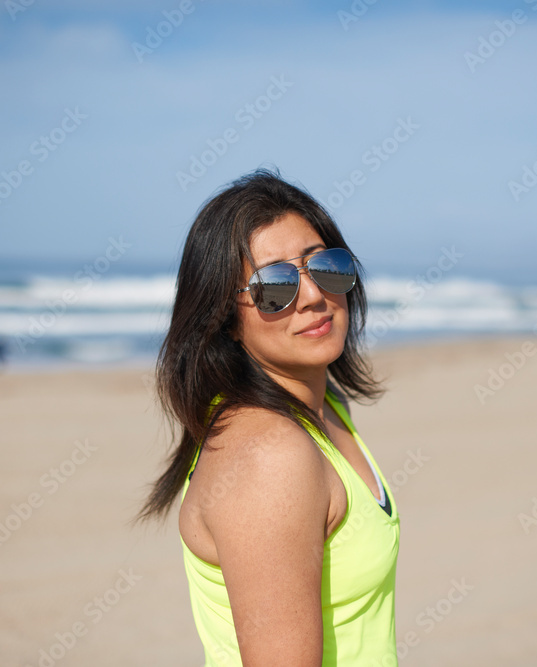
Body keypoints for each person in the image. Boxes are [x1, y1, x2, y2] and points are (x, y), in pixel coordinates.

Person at [139, 169, 399, 665]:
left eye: (325, 266)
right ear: (225, 321)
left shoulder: (327, 408)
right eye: (274, 285)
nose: (313, 296)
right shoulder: (268, 456)